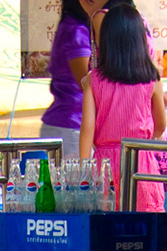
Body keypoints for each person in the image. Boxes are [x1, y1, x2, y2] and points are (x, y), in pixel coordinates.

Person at [80, 2, 167, 213]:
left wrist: (83, 173)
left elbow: (87, 130)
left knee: (106, 225)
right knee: (145, 225)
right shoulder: (152, 78)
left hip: (105, 166)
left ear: (106, 41)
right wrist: (141, 140)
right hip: (142, 163)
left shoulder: (94, 80)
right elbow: (160, 125)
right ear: (140, 39)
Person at [43, 0, 107, 158]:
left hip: (73, 125)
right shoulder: (75, 31)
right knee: (79, 174)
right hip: (71, 126)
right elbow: (86, 82)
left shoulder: (78, 28)